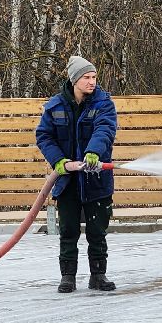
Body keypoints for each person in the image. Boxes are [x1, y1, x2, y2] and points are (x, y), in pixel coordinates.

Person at [35, 55, 118, 293]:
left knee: (97, 231)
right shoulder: (55, 106)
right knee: (69, 230)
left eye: (94, 77)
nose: (92, 82)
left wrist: (94, 152)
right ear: (74, 80)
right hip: (67, 181)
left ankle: (98, 276)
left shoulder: (103, 103)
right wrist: (59, 162)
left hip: (96, 180)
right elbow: (44, 136)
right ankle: (68, 277)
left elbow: (105, 129)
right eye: (86, 77)